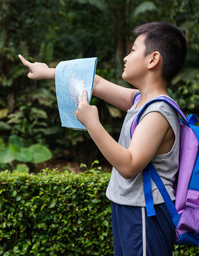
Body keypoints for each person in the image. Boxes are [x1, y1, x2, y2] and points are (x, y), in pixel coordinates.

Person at [18, 21, 188, 255]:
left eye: (133, 50)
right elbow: (94, 83)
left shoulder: (158, 112)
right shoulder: (140, 100)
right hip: (131, 207)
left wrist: (92, 124)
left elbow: (129, 165)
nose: (126, 58)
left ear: (153, 59)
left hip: (146, 210)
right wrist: (48, 71)